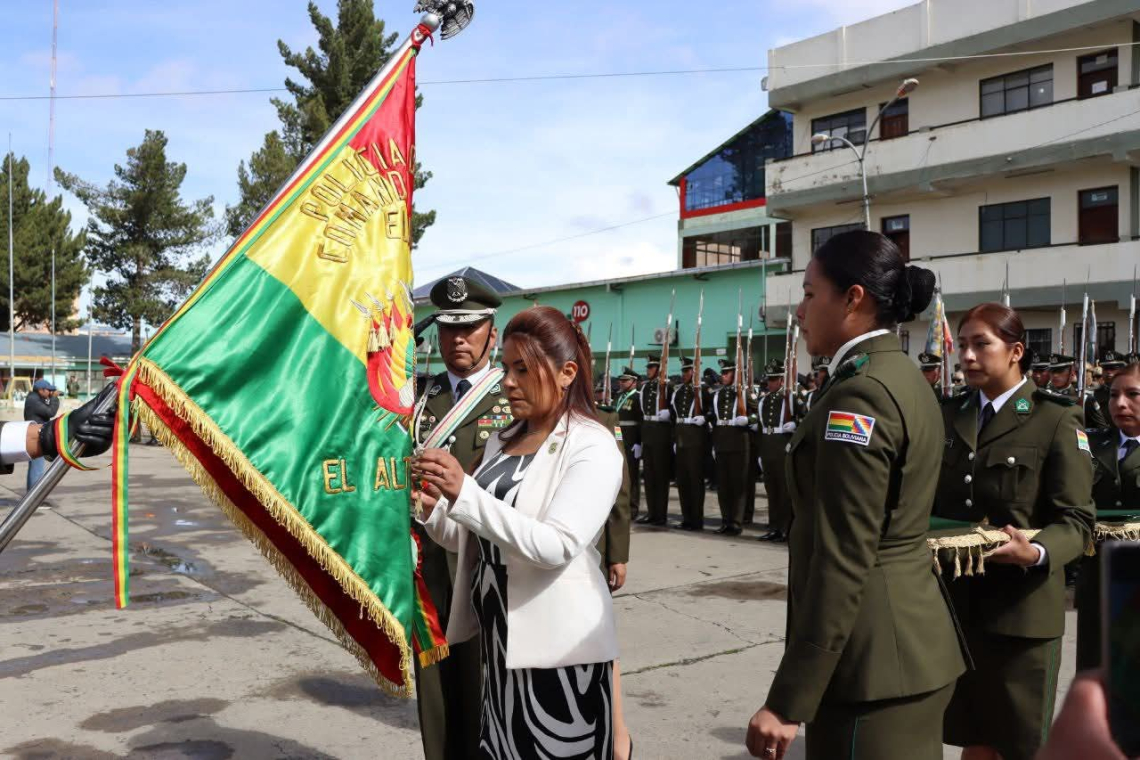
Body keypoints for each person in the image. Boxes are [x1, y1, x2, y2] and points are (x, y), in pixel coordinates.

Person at [746, 230, 966, 760]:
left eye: (808, 293)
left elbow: (846, 554)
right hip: (901, 650)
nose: (798, 312)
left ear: (853, 299)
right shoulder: (899, 376)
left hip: (870, 664)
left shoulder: (861, 395)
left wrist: (789, 698)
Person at [412, 305, 625, 760]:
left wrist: (464, 493)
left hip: (560, 654)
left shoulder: (591, 444)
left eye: (523, 369)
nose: (507, 381)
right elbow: (479, 537)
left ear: (567, 372)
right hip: (501, 645)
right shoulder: (502, 439)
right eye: (507, 367)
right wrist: (435, 511)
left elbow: (556, 545)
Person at [935, 303, 1095, 760]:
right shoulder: (950, 414)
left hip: (1021, 616)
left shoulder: (1056, 419)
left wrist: (1037, 551)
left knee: (1021, 746)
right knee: (974, 741)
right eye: (962, 344)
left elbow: (1078, 518)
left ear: (1015, 351)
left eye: (981, 344)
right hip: (958, 608)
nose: (966, 355)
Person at [411, 275, 507, 760]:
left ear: (492, 332)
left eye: (470, 328)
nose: (459, 339)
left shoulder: (511, 397)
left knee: (484, 690)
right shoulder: (418, 398)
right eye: (449, 330)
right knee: (434, 693)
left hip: (483, 567)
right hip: (426, 570)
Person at [1076, 360, 1140, 670]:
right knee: (1094, 671)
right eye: (1114, 395)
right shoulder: (1089, 444)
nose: (1120, 403)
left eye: (1133, 394)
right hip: (1096, 578)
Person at [709, 359, 750, 536]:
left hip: (739, 443)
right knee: (724, 486)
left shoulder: (744, 393)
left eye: (727, 373)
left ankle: (736, 522)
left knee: (737, 485)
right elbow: (713, 419)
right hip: (721, 443)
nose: (723, 376)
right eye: (723, 373)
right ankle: (725, 520)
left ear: (735, 374)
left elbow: (757, 416)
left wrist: (748, 420)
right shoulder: (718, 395)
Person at [757, 360, 794, 543]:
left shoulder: (790, 398)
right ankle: (773, 528)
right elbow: (759, 427)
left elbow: (806, 418)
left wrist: (795, 425)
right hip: (768, 446)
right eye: (769, 380)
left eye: (774, 380)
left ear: (781, 380)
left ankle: (785, 528)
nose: (770, 383)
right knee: (771, 491)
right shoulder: (763, 400)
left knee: (784, 492)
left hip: (782, 446)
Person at [671, 357, 710, 531]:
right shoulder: (679, 391)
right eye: (683, 371)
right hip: (681, 438)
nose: (684, 374)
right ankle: (686, 518)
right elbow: (674, 416)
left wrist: (705, 418)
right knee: (684, 480)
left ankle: (696, 519)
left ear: (695, 371)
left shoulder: (704, 390)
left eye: (687, 371)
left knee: (695, 481)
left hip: (695, 438)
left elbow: (712, 412)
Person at [636, 354, 672, 526]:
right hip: (648, 433)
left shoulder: (667, 386)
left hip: (661, 433)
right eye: (648, 368)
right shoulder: (645, 387)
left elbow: (676, 407)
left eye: (651, 368)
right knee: (649, 477)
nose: (648, 371)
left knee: (660, 476)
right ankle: (652, 512)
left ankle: (661, 514)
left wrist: (669, 414)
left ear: (659, 369)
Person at [614, 368, 642, 519]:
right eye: (621, 380)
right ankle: (621, 505)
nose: (621, 383)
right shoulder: (618, 397)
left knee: (632, 475)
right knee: (620, 475)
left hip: (632, 441)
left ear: (634, 382)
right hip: (619, 439)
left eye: (625, 380)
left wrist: (639, 442)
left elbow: (641, 421)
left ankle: (633, 508)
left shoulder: (638, 397)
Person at [22, 379, 60, 491]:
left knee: (36, 467)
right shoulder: (33, 401)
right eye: (48, 390)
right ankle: (32, 498)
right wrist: (54, 398)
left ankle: (31, 496)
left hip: (36, 435)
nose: (50, 393)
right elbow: (50, 412)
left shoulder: (35, 398)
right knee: (37, 468)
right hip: (35, 438)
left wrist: (50, 398)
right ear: (40, 390)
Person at [1085, 349, 1127, 430]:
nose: (1109, 372)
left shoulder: (1131, 394)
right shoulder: (1094, 394)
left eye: (1113, 369)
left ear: (1122, 370)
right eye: (1106, 369)